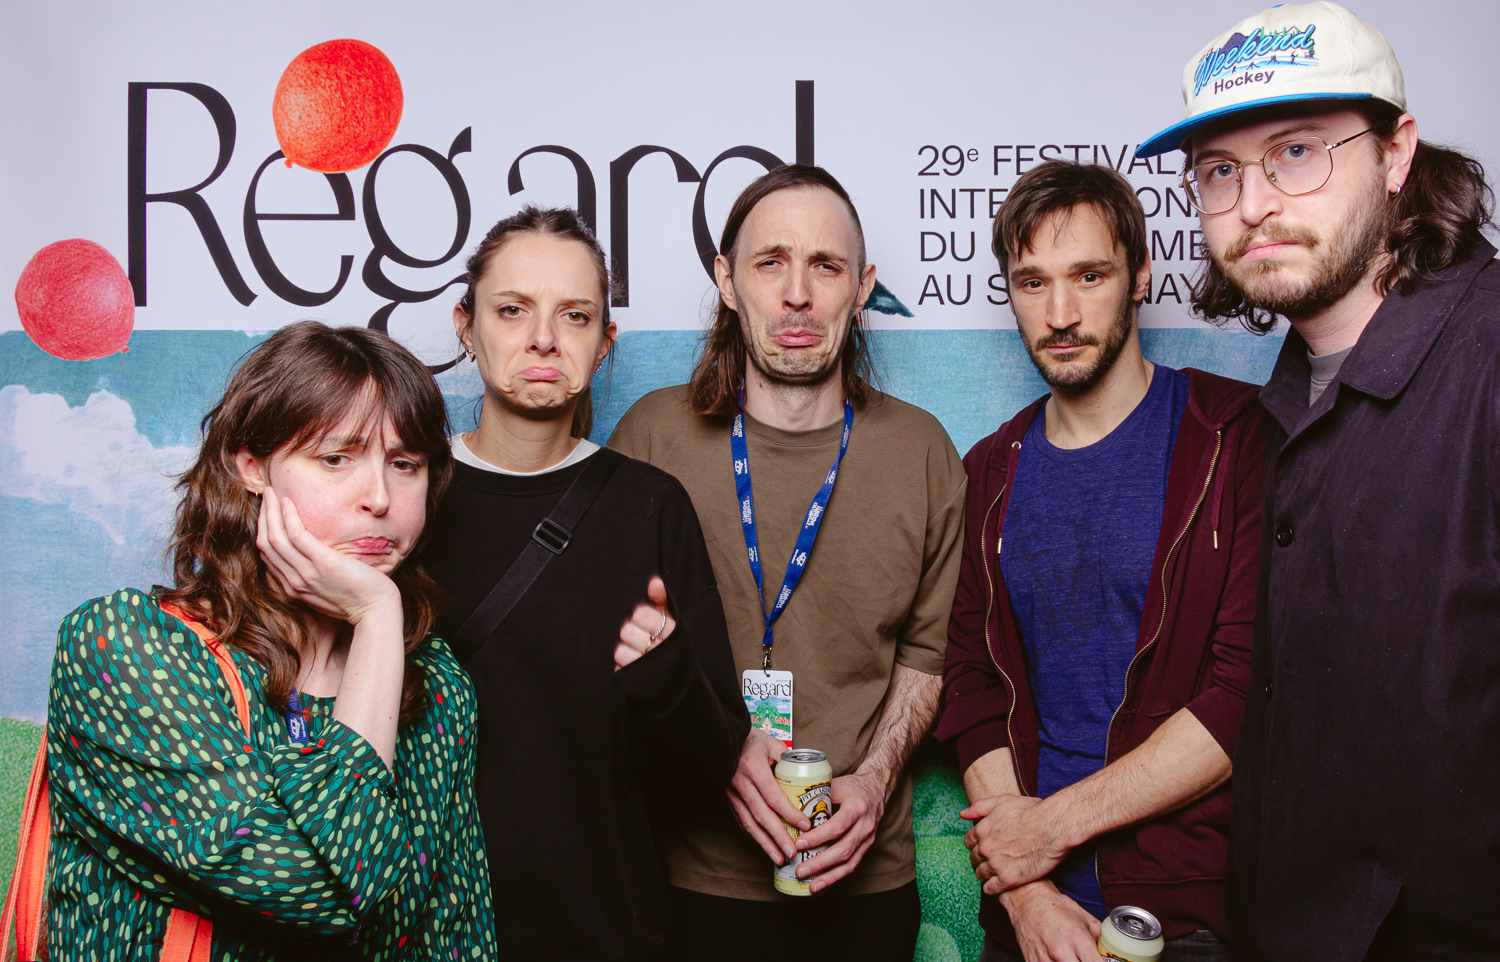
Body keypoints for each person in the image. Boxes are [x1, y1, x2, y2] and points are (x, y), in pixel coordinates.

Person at [1136, 2, 1499, 957]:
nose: (1253, 204)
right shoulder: (1280, 402)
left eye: (1296, 152)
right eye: (1219, 171)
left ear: (1396, 153)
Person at [43, 321, 496, 958]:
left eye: (405, 465)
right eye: (336, 458)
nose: (379, 498)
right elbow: (327, 893)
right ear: (253, 468)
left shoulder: (436, 680)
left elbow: (452, 927)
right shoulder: (126, 646)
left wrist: (378, 628)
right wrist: (375, 613)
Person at [609, 164, 966, 962]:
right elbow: (614, 652)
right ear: (727, 281)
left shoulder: (923, 452)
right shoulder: (651, 440)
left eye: (826, 266)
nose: (797, 295)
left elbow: (928, 656)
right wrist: (719, 748)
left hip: (864, 883)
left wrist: (874, 781)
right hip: (688, 882)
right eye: (771, 263)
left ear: (862, 287)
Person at [934, 160, 1266, 962]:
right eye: (1032, 282)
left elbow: (1246, 691)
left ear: (1141, 276)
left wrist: (1047, 831)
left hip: (1186, 916)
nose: (1060, 314)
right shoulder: (988, 470)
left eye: (1089, 275)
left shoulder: (1233, 437)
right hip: (1029, 915)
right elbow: (971, 683)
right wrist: (1027, 895)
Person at [421, 206, 747, 962]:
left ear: (605, 343)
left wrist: (668, 681)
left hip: (603, 931)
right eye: (512, 310)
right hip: (427, 930)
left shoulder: (649, 505)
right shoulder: (401, 498)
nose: (543, 338)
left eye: (574, 315)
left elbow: (712, 777)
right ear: (466, 326)